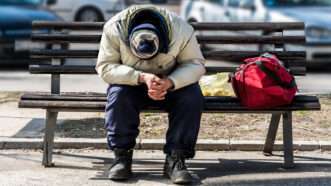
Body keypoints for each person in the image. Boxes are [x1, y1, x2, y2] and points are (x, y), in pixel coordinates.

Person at [96, 4, 206, 184]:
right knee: (118, 95)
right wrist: (141, 77)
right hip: (132, 81)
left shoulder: (182, 29)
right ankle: (122, 157)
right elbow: (105, 67)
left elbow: (194, 63)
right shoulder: (113, 28)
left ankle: (175, 158)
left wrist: (170, 82)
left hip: (171, 81)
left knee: (192, 96)